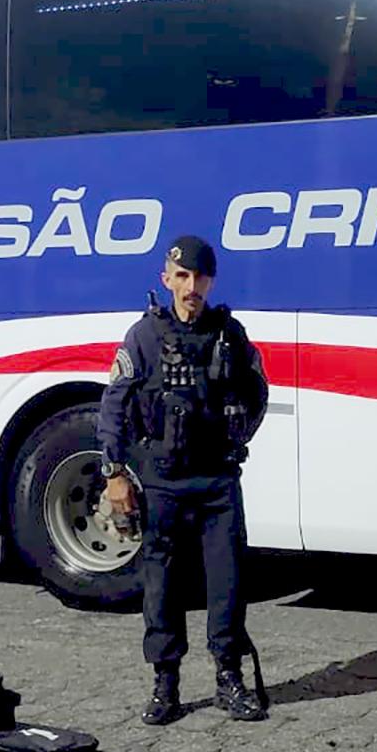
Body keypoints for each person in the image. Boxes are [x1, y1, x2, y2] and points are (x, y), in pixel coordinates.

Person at [97, 235, 269, 724]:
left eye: (200, 277)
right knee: (163, 585)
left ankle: (228, 680)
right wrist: (114, 473)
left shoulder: (229, 334)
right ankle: (165, 684)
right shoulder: (144, 337)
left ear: (211, 280)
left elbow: (257, 391)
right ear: (166, 279)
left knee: (228, 583)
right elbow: (114, 404)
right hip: (164, 480)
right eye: (183, 277)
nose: (192, 287)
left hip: (217, 481)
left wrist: (235, 435)